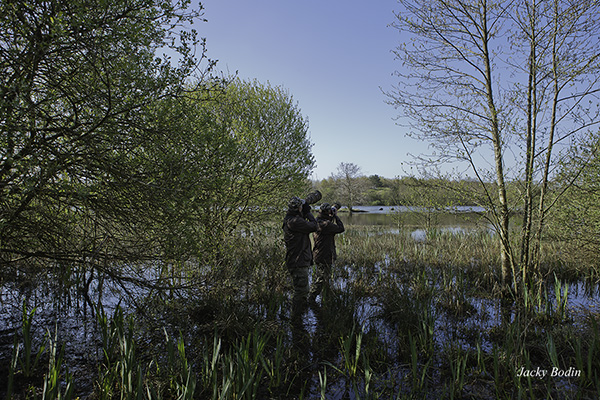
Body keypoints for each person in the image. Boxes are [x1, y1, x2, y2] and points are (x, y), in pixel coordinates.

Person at [282, 196, 318, 316]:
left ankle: (298, 317)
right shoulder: (295, 222)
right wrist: (308, 213)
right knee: (301, 291)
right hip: (298, 261)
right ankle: (296, 318)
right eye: (301, 206)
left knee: (301, 290)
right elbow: (314, 226)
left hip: (296, 259)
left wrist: (303, 211)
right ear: (298, 208)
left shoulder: (291, 219)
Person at [309, 203, 345, 304]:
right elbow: (341, 228)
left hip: (318, 253)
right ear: (328, 212)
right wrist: (336, 216)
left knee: (323, 277)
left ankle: (325, 297)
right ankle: (311, 298)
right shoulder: (327, 225)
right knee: (321, 278)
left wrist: (330, 216)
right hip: (325, 255)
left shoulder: (317, 221)